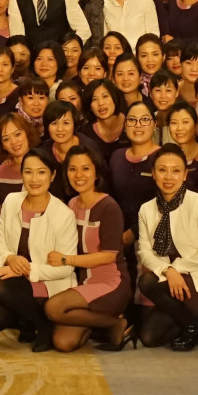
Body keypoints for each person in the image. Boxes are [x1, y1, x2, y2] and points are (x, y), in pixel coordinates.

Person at [0, 148, 77, 350]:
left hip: (47, 282)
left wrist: (26, 269)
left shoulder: (64, 214)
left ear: (52, 175)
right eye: (28, 172)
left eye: (41, 172)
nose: (34, 179)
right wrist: (11, 258)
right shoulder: (12, 201)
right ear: (21, 174)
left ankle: (39, 324)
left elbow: (66, 268)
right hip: (15, 282)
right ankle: (35, 321)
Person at [40, 144, 134, 352]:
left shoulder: (109, 206)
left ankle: (116, 323)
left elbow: (108, 256)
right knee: (63, 343)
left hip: (111, 284)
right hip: (84, 283)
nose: (78, 175)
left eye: (85, 168)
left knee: (53, 308)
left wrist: (66, 259)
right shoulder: (72, 204)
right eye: (72, 169)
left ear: (96, 172)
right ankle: (105, 324)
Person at [133, 146, 198, 350]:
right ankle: (193, 323)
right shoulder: (146, 209)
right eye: (162, 170)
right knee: (149, 337)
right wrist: (168, 271)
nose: (168, 177)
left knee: (147, 281)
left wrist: (176, 269)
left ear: (184, 175)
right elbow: (144, 252)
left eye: (176, 171)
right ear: (153, 173)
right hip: (170, 281)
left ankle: (194, 322)